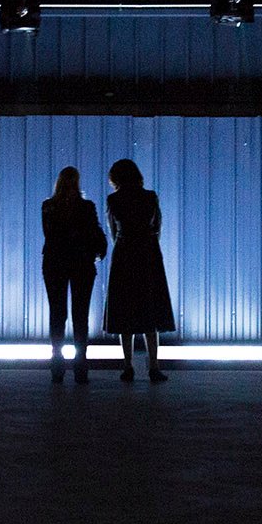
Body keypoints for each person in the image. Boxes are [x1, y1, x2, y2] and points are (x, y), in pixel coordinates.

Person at [101, 158, 174, 383]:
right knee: (149, 311)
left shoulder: (113, 199)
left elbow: (113, 231)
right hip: (148, 253)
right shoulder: (150, 197)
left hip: (124, 254)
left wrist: (124, 243)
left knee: (125, 312)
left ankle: (128, 367)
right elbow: (157, 227)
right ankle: (153, 366)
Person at [39, 167, 108, 385]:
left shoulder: (48, 207)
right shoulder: (86, 207)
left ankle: (57, 366)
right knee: (81, 315)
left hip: (54, 263)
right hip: (81, 264)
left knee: (57, 314)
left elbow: (49, 235)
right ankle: (81, 367)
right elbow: (95, 233)